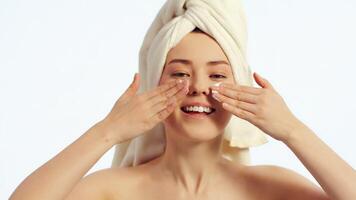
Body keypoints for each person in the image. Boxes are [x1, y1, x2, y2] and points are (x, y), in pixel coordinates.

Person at [10, 3, 356, 200]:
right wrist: (108, 131)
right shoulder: (114, 190)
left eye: (218, 75)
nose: (198, 88)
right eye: (178, 74)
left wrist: (293, 131)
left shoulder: (270, 188)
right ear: (151, 84)